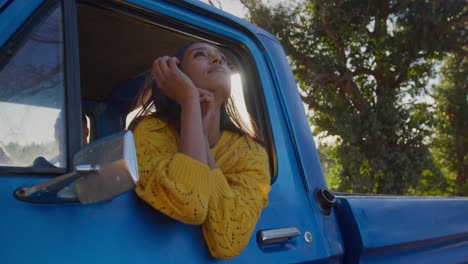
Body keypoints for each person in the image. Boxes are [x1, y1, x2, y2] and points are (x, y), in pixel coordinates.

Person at [130, 42, 271, 259]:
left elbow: (228, 240)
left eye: (222, 57)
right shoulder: (152, 131)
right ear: (177, 75)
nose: (218, 60)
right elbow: (189, 203)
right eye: (200, 54)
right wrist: (189, 101)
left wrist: (201, 137)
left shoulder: (250, 152)